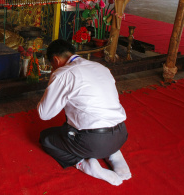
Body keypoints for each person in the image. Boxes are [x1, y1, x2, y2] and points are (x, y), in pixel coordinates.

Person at [37, 39, 131, 186]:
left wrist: (53, 81)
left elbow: (44, 114)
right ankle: (114, 154)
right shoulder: (100, 67)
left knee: (47, 139)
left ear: (55, 60)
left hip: (94, 142)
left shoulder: (63, 73)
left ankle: (84, 164)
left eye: (52, 65)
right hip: (121, 133)